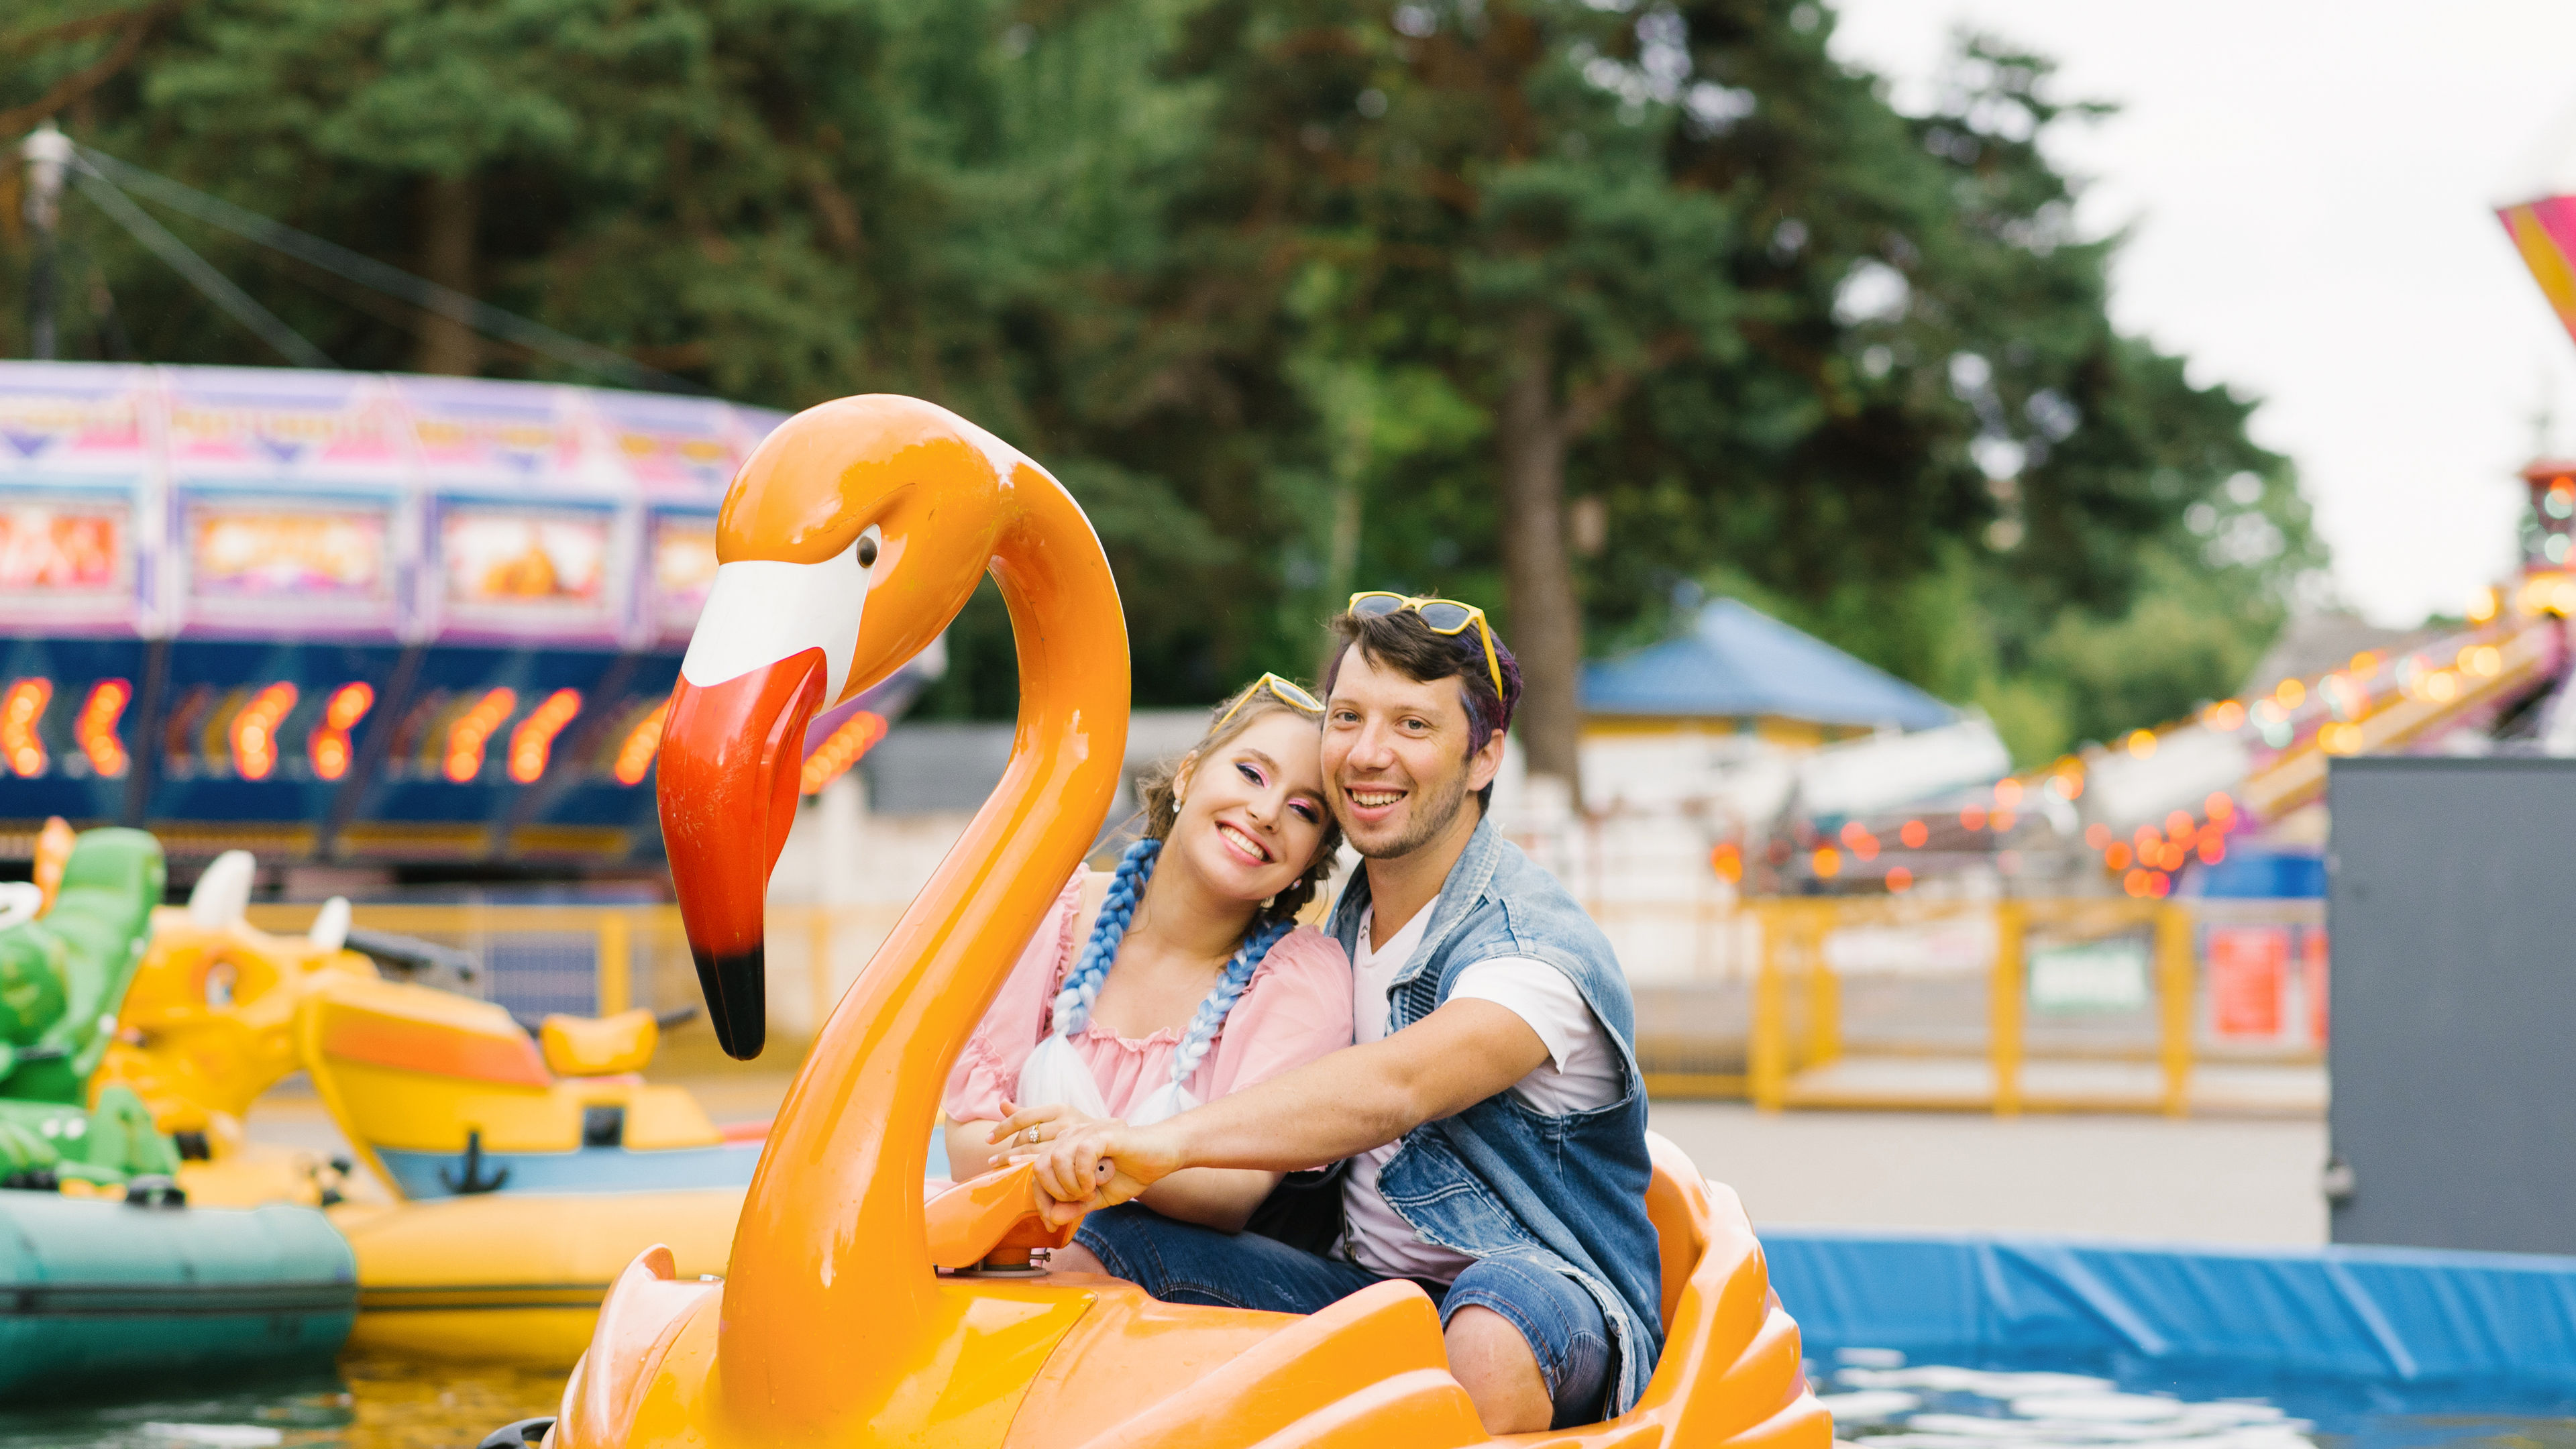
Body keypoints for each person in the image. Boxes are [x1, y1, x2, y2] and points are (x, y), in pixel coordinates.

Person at [1002, 595, 1662, 1436]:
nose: (1368, 753)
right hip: (1367, 1289)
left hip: (1546, 1297)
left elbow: (1399, 1083)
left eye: (1413, 727)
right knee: (1105, 1249)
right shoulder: (1345, 923)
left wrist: (1161, 1144)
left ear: (1486, 756)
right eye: (1348, 717)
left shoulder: (1531, 950)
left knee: (1491, 1328)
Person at [942, 674, 1352, 1234]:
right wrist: (1075, 1161)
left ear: (1310, 861)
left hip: (1164, 1306)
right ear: (1187, 774)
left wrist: (1093, 1149)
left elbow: (1235, 1192)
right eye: (1251, 773)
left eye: (1305, 811)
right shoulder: (1047, 913)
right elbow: (969, 1146)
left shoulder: (1300, 983)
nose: (1266, 812)